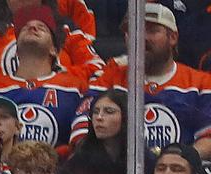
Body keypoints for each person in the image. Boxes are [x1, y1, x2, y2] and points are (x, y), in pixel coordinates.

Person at [71, 3, 211, 157]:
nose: (141, 37)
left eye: (152, 30)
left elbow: (208, 140)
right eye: (134, 30)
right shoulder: (108, 78)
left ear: (173, 37)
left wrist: (174, 163)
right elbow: (82, 131)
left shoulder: (201, 84)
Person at [0, 7, 88, 156]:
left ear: (54, 50)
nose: (32, 27)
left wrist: (56, 161)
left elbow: (83, 146)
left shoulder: (75, 88)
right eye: (25, 28)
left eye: (41, 28)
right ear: (16, 50)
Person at [0, 0, 103, 103]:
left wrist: (55, 82)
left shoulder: (66, 29)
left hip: (64, 114)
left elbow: (97, 73)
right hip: (3, 121)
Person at [56, 89, 127, 174]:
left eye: (109, 111)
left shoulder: (143, 161)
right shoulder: (77, 164)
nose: (99, 117)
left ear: (127, 117)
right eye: (95, 112)